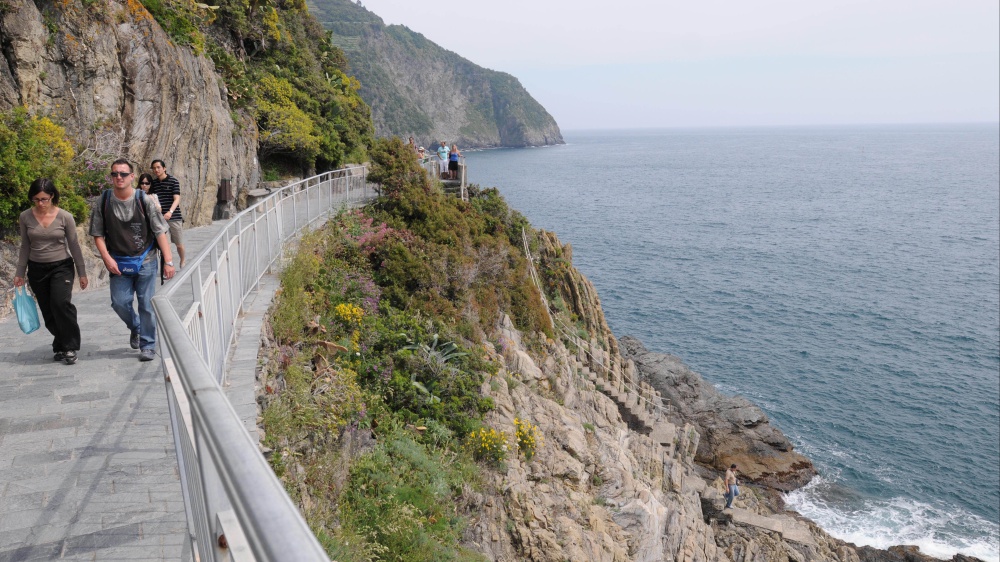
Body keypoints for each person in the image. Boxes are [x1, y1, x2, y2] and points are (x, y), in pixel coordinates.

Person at [90, 159, 175, 362]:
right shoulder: (103, 201)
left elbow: (160, 231)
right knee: (119, 302)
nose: (118, 177)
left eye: (123, 174)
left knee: (146, 304)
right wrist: (107, 258)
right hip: (118, 261)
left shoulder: (143, 200)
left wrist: (169, 261)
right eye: (114, 174)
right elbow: (97, 234)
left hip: (146, 259)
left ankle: (148, 344)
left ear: (131, 177)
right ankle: (136, 326)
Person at [14, 179, 89, 365]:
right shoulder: (25, 217)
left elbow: (74, 245)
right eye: (36, 199)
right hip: (37, 269)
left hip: (61, 267)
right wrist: (19, 273)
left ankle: (70, 346)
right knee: (48, 311)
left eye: (44, 199)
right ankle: (61, 343)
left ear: (52, 196)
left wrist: (82, 272)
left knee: (60, 303)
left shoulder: (65, 217)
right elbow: (25, 246)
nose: (40, 203)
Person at [149, 159, 185, 268]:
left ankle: (182, 260)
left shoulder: (173, 181)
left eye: (158, 167)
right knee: (166, 244)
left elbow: (177, 199)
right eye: (154, 168)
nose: (156, 170)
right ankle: (168, 265)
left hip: (174, 217)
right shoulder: (154, 183)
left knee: (179, 244)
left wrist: (170, 212)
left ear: (164, 168)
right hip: (160, 219)